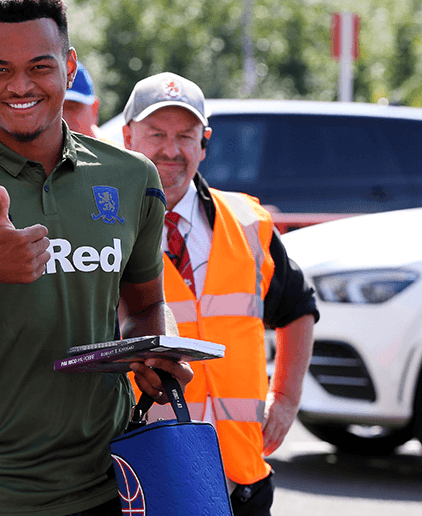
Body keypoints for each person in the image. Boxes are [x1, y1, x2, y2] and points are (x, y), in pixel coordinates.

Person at [0, 0, 192, 516]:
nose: (20, 85)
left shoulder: (131, 179)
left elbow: (144, 305)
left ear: (69, 68)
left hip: (114, 485)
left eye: (40, 67)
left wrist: (152, 352)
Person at [121, 72, 318, 516]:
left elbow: (299, 308)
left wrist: (285, 399)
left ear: (204, 143)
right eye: (156, 134)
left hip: (241, 477)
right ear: (129, 136)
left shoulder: (249, 220)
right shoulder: (104, 230)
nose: (171, 150)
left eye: (185, 136)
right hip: (149, 474)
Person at [63, 61, 102, 138]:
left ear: (94, 109)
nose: (62, 118)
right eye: (53, 109)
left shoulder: (112, 149)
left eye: (71, 107)